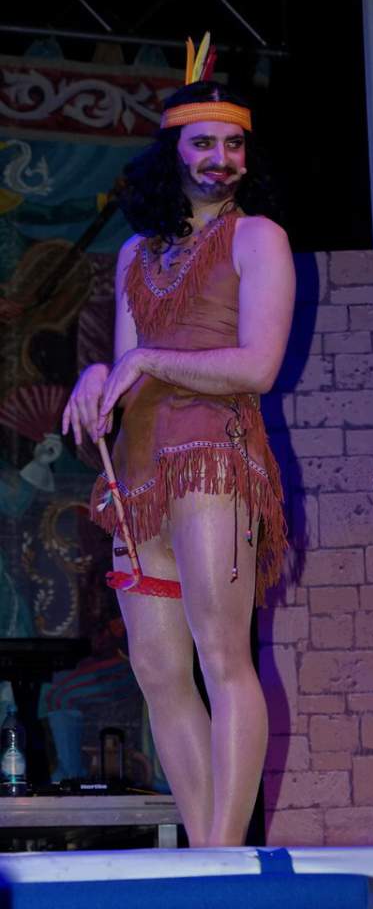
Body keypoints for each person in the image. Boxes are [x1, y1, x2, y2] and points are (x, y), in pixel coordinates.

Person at [62, 47, 295, 847]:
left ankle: (226, 857)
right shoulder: (137, 252)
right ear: (173, 151)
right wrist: (98, 377)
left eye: (233, 144)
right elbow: (130, 366)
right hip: (138, 471)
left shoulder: (258, 238)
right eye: (203, 143)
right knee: (158, 671)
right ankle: (202, 851)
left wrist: (148, 362)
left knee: (222, 655)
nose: (220, 158)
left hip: (213, 458)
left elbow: (257, 367)